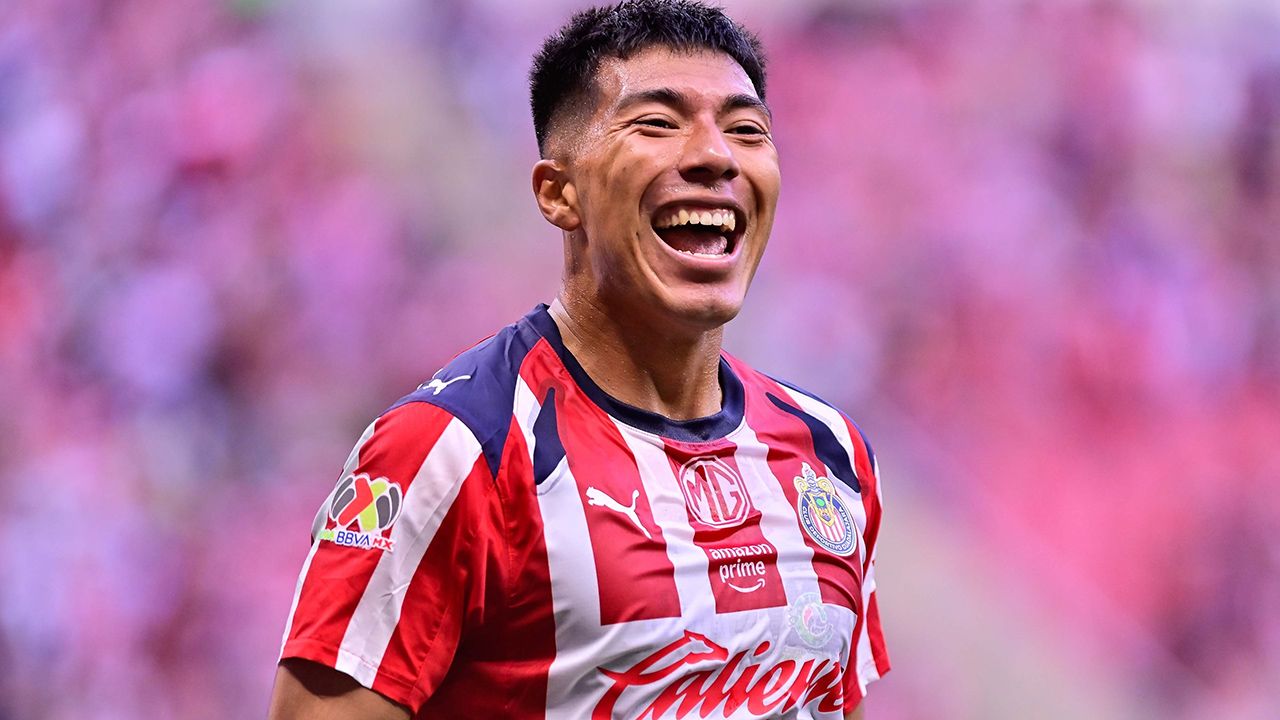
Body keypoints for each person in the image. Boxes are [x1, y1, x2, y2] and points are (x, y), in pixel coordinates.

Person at [267, 1, 889, 718]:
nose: (716, 156)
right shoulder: (450, 452)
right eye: (657, 123)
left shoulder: (831, 454)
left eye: (747, 130)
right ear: (559, 193)